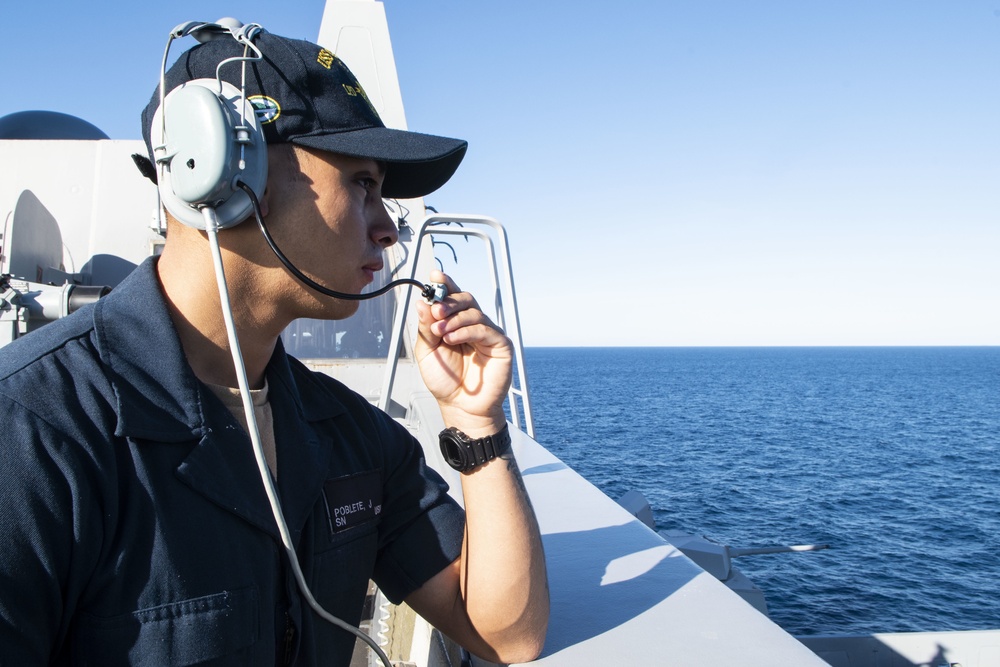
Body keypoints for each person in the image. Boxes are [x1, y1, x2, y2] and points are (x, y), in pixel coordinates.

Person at [0, 24, 548, 666]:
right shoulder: (34, 432)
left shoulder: (351, 437)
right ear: (224, 171)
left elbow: (507, 633)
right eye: (362, 184)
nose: (387, 230)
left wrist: (476, 424)